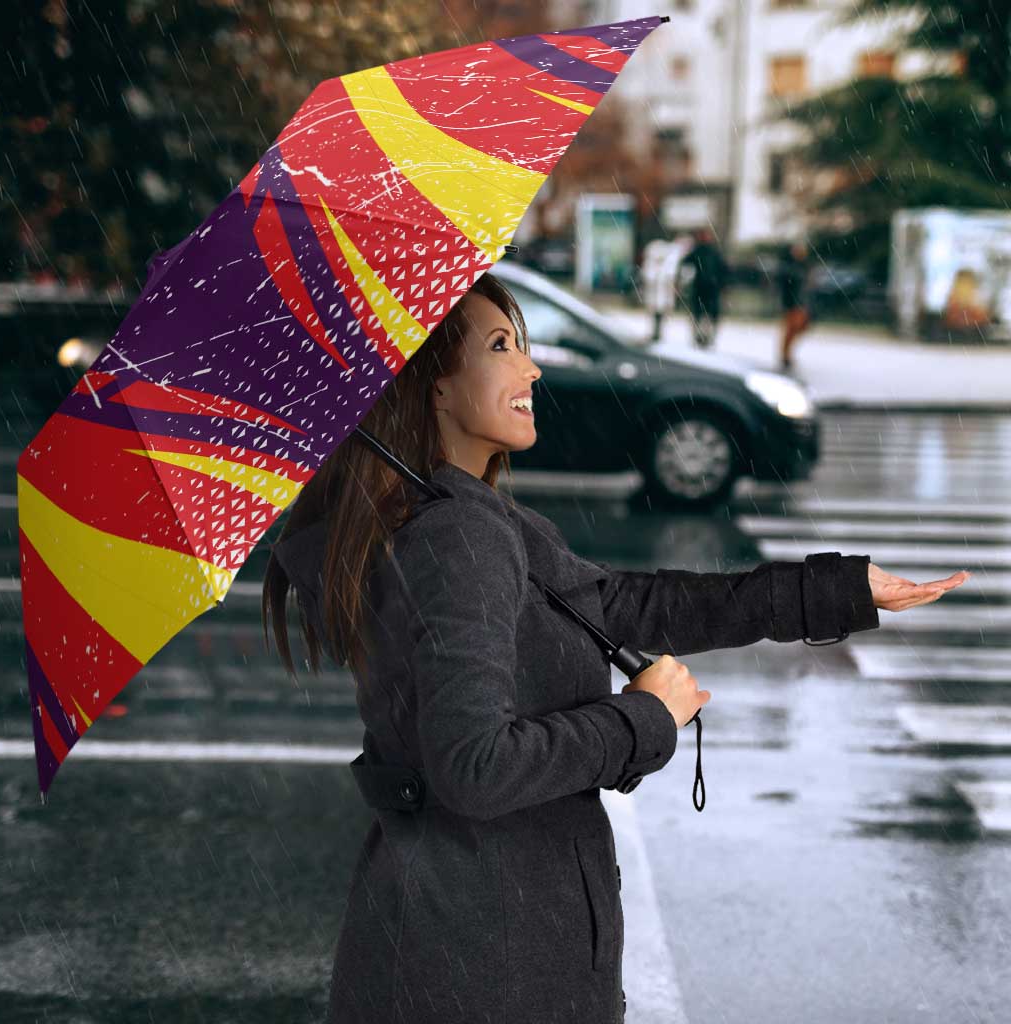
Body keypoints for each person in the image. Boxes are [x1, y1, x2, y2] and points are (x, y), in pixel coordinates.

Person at [263, 271, 960, 1024]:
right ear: (433, 385)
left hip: (461, 943)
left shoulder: (460, 517)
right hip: (486, 963)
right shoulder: (456, 536)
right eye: (501, 346)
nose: (531, 368)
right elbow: (474, 768)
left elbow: (626, 605)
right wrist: (643, 719)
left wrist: (838, 591)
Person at [679, 226, 729, 349]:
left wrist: (722, 284)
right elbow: (685, 264)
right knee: (700, 314)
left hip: (710, 288)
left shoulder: (712, 252)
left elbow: (723, 270)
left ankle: (706, 337)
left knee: (707, 315)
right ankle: (700, 337)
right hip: (702, 288)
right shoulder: (699, 251)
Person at [777, 240, 813, 371]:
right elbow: (786, 286)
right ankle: (785, 355)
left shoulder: (804, 266)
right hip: (792, 303)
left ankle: (787, 354)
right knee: (791, 329)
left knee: (800, 328)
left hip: (801, 303)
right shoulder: (789, 267)